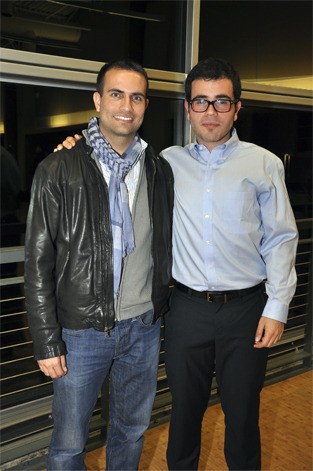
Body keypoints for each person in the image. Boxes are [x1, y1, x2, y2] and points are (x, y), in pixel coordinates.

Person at [57, 57, 298, 471]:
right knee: (183, 414)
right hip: (185, 311)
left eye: (221, 102)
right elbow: (113, 153)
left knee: (243, 417)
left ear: (237, 108)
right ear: (187, 107)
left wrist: (276, 308)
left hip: (247, 312)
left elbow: (281, 238)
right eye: (200, 102)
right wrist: (74, 145)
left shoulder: (264, 163)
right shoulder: (164, 162)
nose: (210, 112)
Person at [24, 59, 173, 471]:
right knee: (69, 446)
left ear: (146, 105)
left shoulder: (159, 169)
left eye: (137, 96)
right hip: (80, 332)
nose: (127, 105)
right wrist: (46, 339)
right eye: (116, 94)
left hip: (142, 328)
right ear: (97, 100)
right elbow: (38, 262)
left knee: (130, 432)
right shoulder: (60, 167)